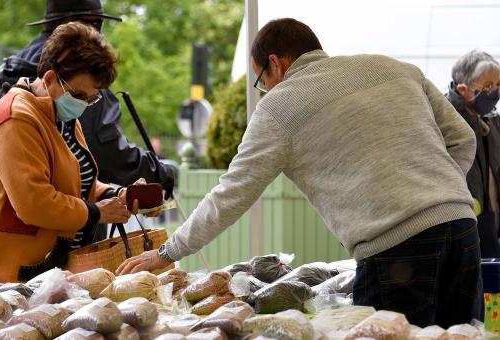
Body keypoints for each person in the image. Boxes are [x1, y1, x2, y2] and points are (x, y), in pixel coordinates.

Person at [117, 18, 481, 327]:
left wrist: (167, 252)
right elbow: (463, 139)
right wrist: (439, 192)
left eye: (261, 79)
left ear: (275, 63)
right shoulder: (395, 68)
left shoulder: (280, 105)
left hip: (396, 249)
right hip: (462, 228)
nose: (265, 89)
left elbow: (233, 192)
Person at [0, 22, 157, 285]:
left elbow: (74, 181)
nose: (84, 104)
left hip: (42, 275)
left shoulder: (58, 114)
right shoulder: (16, 118)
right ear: (50, 78)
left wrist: (115, 195)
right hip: (3, 280)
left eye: (91, 98)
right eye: (78, 95)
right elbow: (35, 203)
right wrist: (97, 213)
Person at [0, 0, 175, 204]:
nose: (99, 35)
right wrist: (157, 172)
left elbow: (80, 175)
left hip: (11, 210)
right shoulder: (80, 78)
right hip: (37, 226)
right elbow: (105, 152)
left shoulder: (9, 73)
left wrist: (113, 195)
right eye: (95, 24)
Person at [446, 50, 500, 258]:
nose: (494, 92)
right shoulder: (445, 121)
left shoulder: (492, 120)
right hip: (462, 226)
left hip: (491, 224)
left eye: (498, 85)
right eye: (487, 86)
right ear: (463, 89)